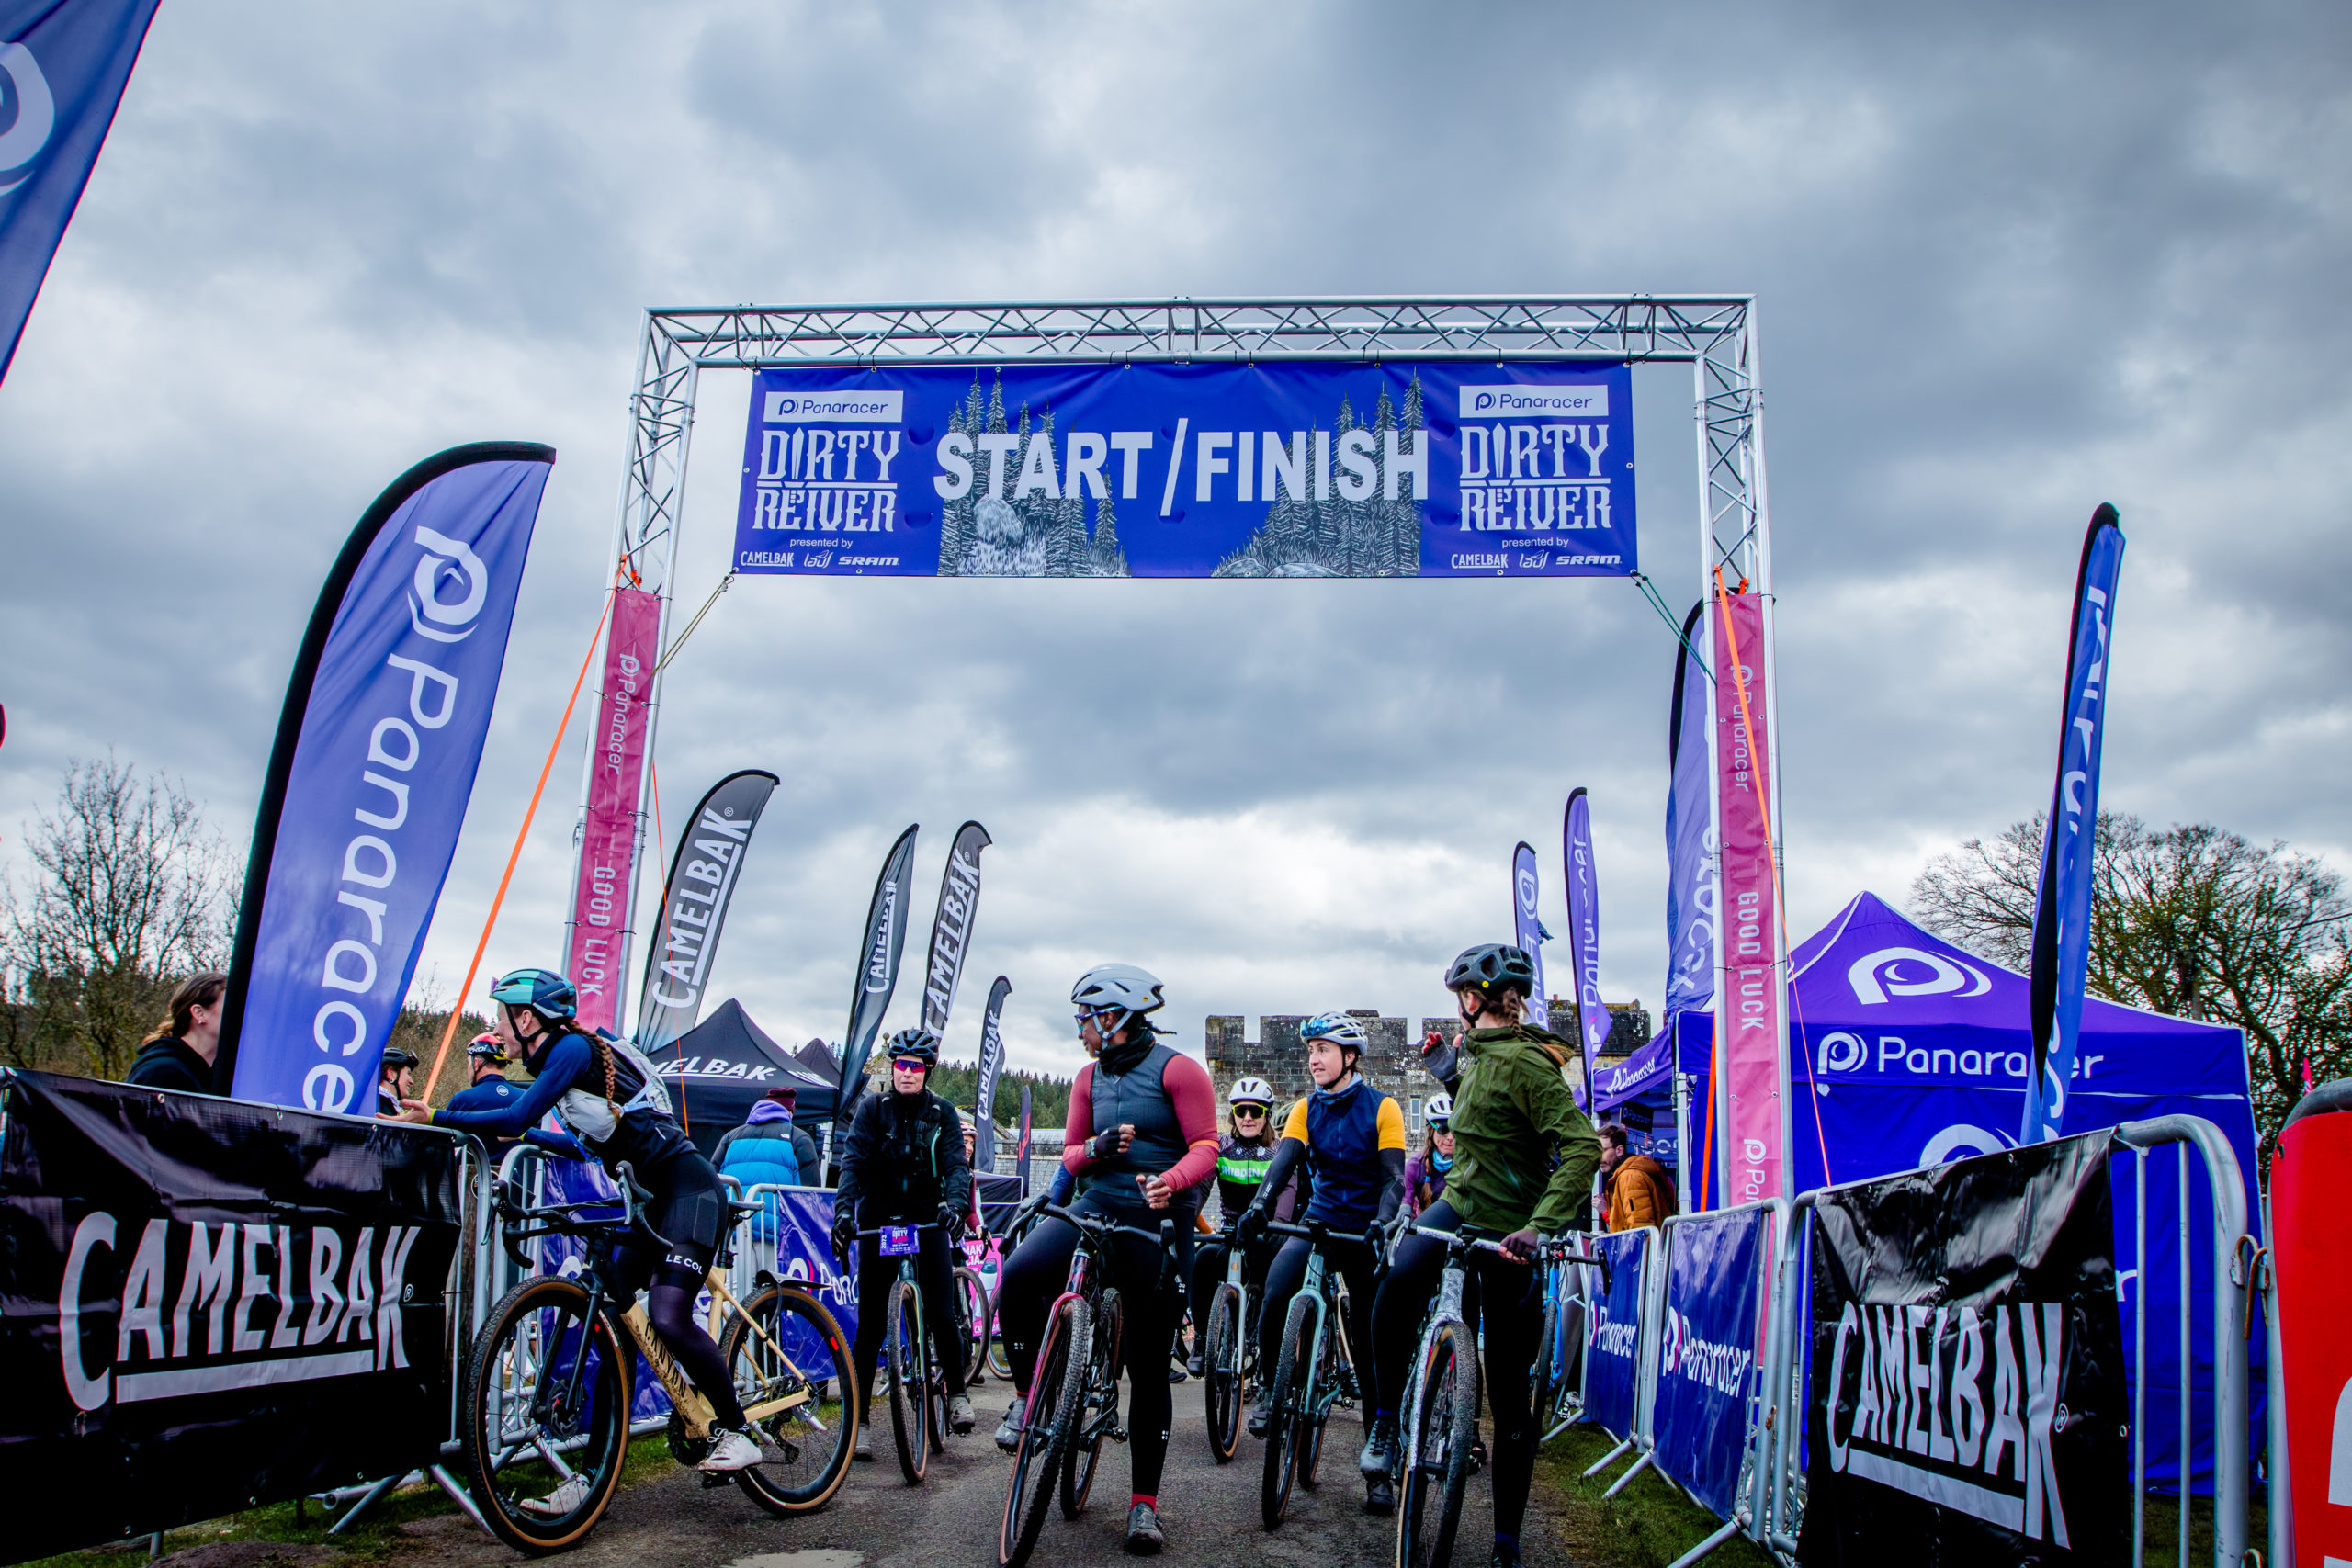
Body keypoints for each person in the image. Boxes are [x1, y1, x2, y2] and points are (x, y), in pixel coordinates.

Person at [395, 968, 768, 1479]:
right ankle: (595, 1476)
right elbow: (577, 1143)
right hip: (649, 1204)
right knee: (617, 1319)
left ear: (526, 1018)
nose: (498, 1032)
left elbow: (515, 1119)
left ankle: (737, 1431)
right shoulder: (566, 1070)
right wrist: (535, 1144)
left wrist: (437, 1117)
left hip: (691, 1193)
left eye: (502, 1019)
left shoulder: (570, 1051)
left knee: (667, 1314)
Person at [1362, 944, 1601, 1568]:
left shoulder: (1528, 1061)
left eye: (1458, 998)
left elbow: (1580, 1148)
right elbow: (1490, 1115)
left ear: (1473, 998)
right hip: (1460, 1202)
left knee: (1511, 1400)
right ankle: (1386, 1423)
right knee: (1397, 1282)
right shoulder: (1482, 1054)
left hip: (1513, 1231)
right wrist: (1448, 1070)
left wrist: (1540, 1226)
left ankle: (1506, 1541)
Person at [993, 964, 1217, 1555]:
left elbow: (1208, 1149)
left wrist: (1171, 1181)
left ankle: (1144, 1504)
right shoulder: (1088, 1079)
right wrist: (1087, 1154)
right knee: (1016, 1276)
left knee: (1147, 1367)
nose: (1081, 1030)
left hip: (1157, 1219)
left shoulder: (1180, 1071)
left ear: (1115, 1018)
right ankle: (1024, 1399)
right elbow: (1071, 1154)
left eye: (1086, 1019)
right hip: (1096, 1204)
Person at [1237, 1013, 1406, 1514]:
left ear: (1349, 1057)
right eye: (1311, 1050)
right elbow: (1282, 1163)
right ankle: (1272, 1389)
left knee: (1372, 1339)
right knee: (1274, 1293)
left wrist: (1384, 1221)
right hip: (1319, 1222)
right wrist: (1258, 1208)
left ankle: (1381, 1456)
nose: (1313, 1059)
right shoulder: (1306, 1109)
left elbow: (1395, 1179)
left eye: (1324, 1050)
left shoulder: (1385, 1107)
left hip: (1365, 1228)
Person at [831, 1026, 975, 1455]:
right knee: (871, 1325)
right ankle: (858, 1421)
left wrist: (953, 1203)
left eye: (915, 1066)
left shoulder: (943, 1113)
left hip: (928, 1219)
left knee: (943, 1312)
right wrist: (844, 1212)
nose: (907, 1073)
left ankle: (956, 1395)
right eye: (900, 1065)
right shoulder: (872, 1110)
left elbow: (955, 1166)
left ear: (927, 1071)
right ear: (892, 1068)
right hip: (879, 1219)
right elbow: (852, 1163)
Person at [1182, 1077, 1283, 1377]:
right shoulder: (1221, 1146)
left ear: (1267, 1115)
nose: (1248, 1118)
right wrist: (1187, 1219)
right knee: (1201, 1261)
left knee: (1274, 1287)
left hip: (1265, 1237)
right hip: (1230, 1234)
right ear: (1233, 1115)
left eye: (1255, 1111)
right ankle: (1201, 1341)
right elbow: (1200, 1188)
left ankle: (1268, 1361)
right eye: (1241, 1111)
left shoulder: (1279, 1152)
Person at [126, 972, 227, 1094]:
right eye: (231, 1005)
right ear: (199, 1013)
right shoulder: (159, 1073)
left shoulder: (224, 1075)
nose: (245, 1014)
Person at [442, 1033, 526, 1159]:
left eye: (468, 1063)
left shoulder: (463, 1099)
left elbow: (442, 1143)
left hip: (472, 1176)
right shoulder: (525, 1097)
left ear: (476, 1063)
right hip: (517, 1177)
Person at [1600, 1122, 1676, 1231]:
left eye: (1602, 1150)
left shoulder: (1630, 1176)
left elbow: (1640, 1228)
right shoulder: (1628, 1174)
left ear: (1619, 1150)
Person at [1402, 1092, 1454, 1217]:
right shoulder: (1415, 1166)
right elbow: (1406, 1203)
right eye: (1443, 1130)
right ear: (1431, 1131)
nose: (1451, 1137)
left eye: (1455, 1130)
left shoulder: (1468, 1165)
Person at [376, 1046, 419, 1116]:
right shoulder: (381, 1108)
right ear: (391, 1074)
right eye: (408, 1073)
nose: (411, 1082)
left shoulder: (379, 1104)